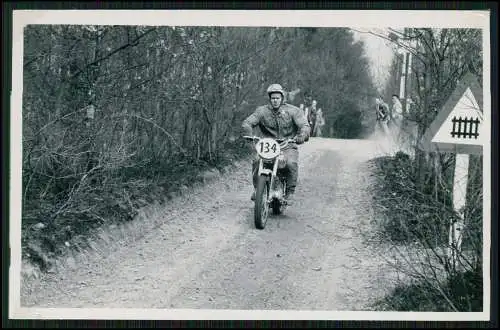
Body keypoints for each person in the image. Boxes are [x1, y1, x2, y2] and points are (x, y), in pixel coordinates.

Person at [241, 83, 310, 205]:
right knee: (257, 160)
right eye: (273, 98)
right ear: (269, 99)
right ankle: (257, 189)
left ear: (282, 98)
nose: (275, 101)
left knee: (290, 163)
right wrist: (249, 134)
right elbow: (248, 122)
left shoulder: (293, 111)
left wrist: (302, 135)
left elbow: (304, 125)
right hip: (268, 145)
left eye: (277, 98)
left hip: (287, 144)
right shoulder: (262, 111)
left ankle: (290, 192)